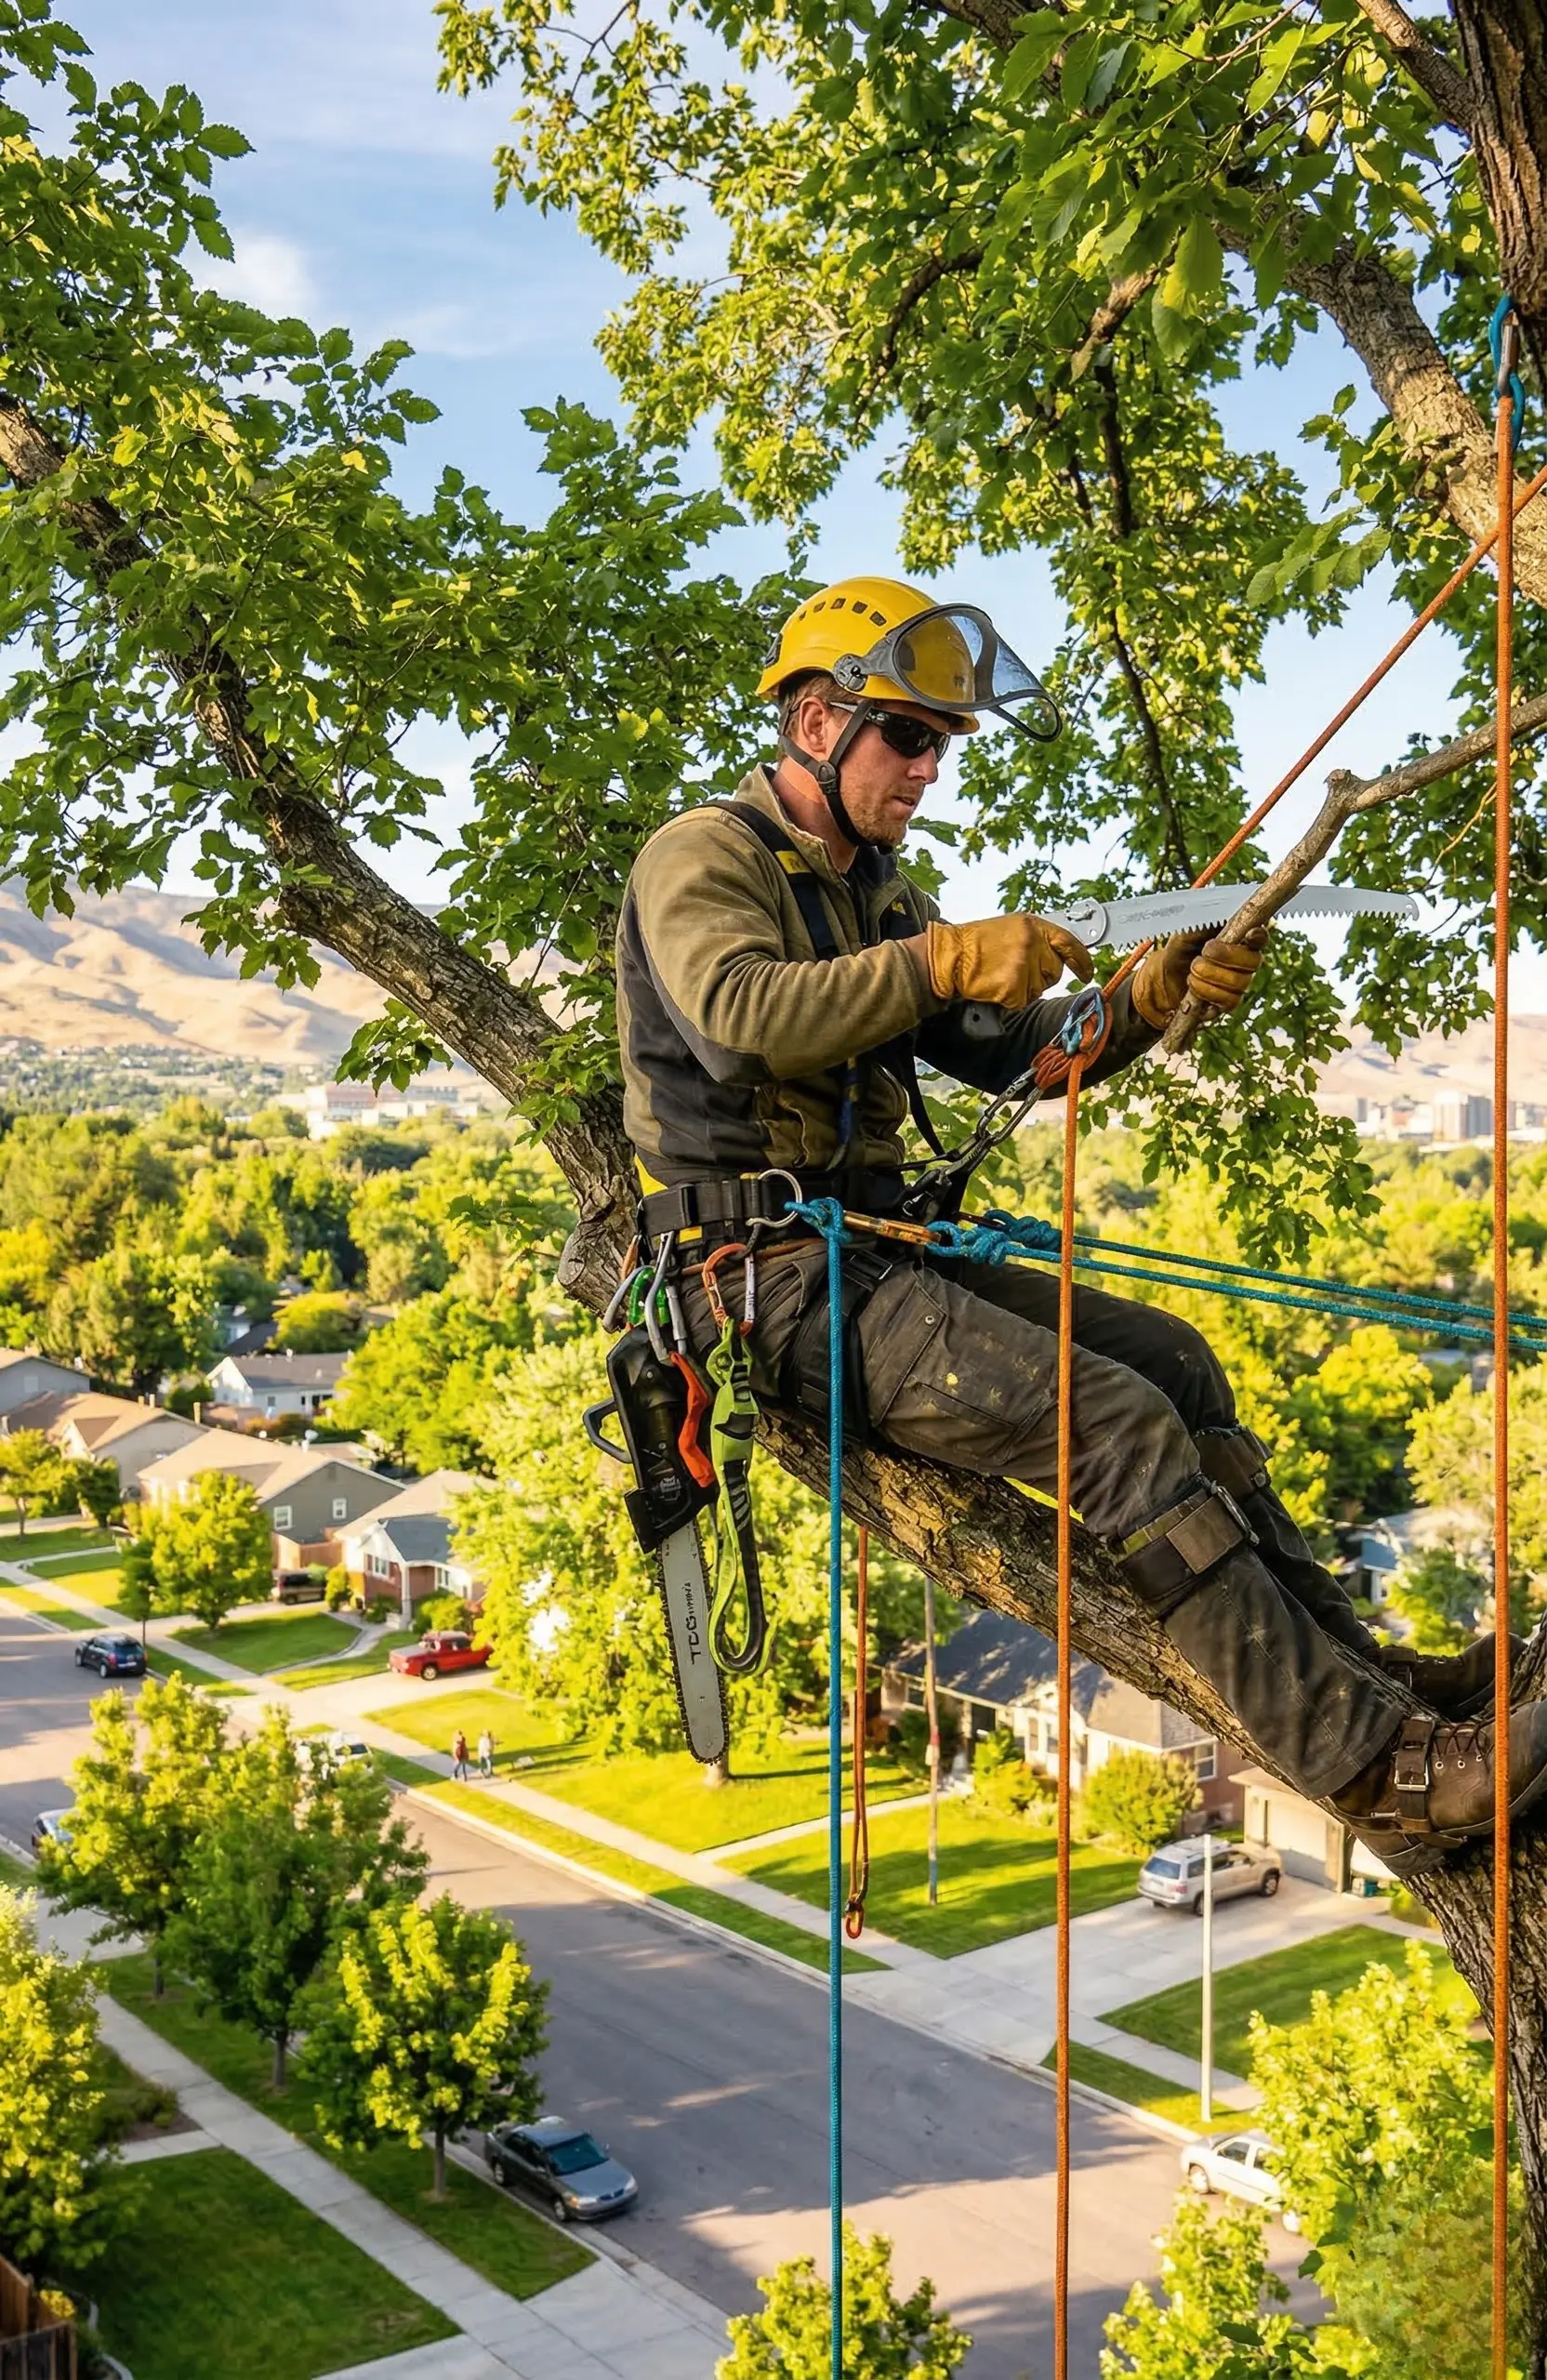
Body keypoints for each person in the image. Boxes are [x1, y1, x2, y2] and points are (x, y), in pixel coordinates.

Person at [615, 575, 1547, 1872]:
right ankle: (1376, 1770)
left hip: (867, 1252)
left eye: (942, 743)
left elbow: (1015, 1055)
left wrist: (1148, 999)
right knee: (1115, 1423)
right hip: (763, 1285)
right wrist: (940, 960)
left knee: (1172, 1361)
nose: (931, 768)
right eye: (911, 737)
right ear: (819, 721)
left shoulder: (875, 895)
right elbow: (738, 1014)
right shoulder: (704, 855)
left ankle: (1363, 1680)